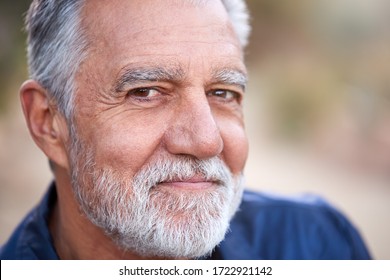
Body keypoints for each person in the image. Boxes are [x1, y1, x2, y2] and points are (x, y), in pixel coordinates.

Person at [0, 0, 371, 260]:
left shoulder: (318, 244)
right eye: (145, 92)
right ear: (48, 122)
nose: (207, 140)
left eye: (222, 92)